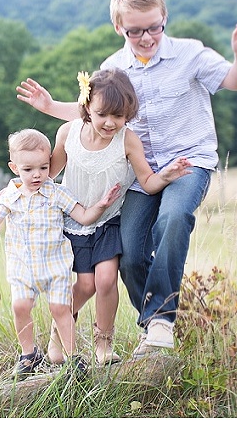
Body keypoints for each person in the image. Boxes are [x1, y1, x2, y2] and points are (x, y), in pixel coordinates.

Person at [16, 0, 237, 359]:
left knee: (173, 218)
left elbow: (233, 80)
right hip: (138, 174)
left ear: (164, 18)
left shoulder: (190, 54)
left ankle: (160, 321)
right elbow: (93, 113)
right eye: (135, 31)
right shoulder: (112, 68)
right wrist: (49, 107)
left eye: (154, 27)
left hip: (187, 163)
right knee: (129, 253)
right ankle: (151, 325)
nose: (146, 37)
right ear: (119, 27)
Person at [46, 68, 192, 366]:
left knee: (106, 280)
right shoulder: (67, 133)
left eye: (119, 116)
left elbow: (147, 181)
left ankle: (104, 344)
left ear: (128, 115)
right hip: (74, 221)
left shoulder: (127, 141)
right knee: (86, 286)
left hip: (108, 221)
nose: (110, 122)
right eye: (102, 114)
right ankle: (58, 333)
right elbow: (47, 175)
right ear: (87, 106)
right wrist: (17, 188)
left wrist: (166, 175)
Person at [0, 128, 121, 377]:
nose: (37, 175)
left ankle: (72, 357)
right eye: (28, 169)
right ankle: (28, 355)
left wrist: (101, 205)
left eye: (43, 168)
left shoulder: (57, 193)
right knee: (20, 306)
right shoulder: (9, 196)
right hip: (22, 267)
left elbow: (83, 216)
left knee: (60, 309)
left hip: (55, 266)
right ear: (14, 168)